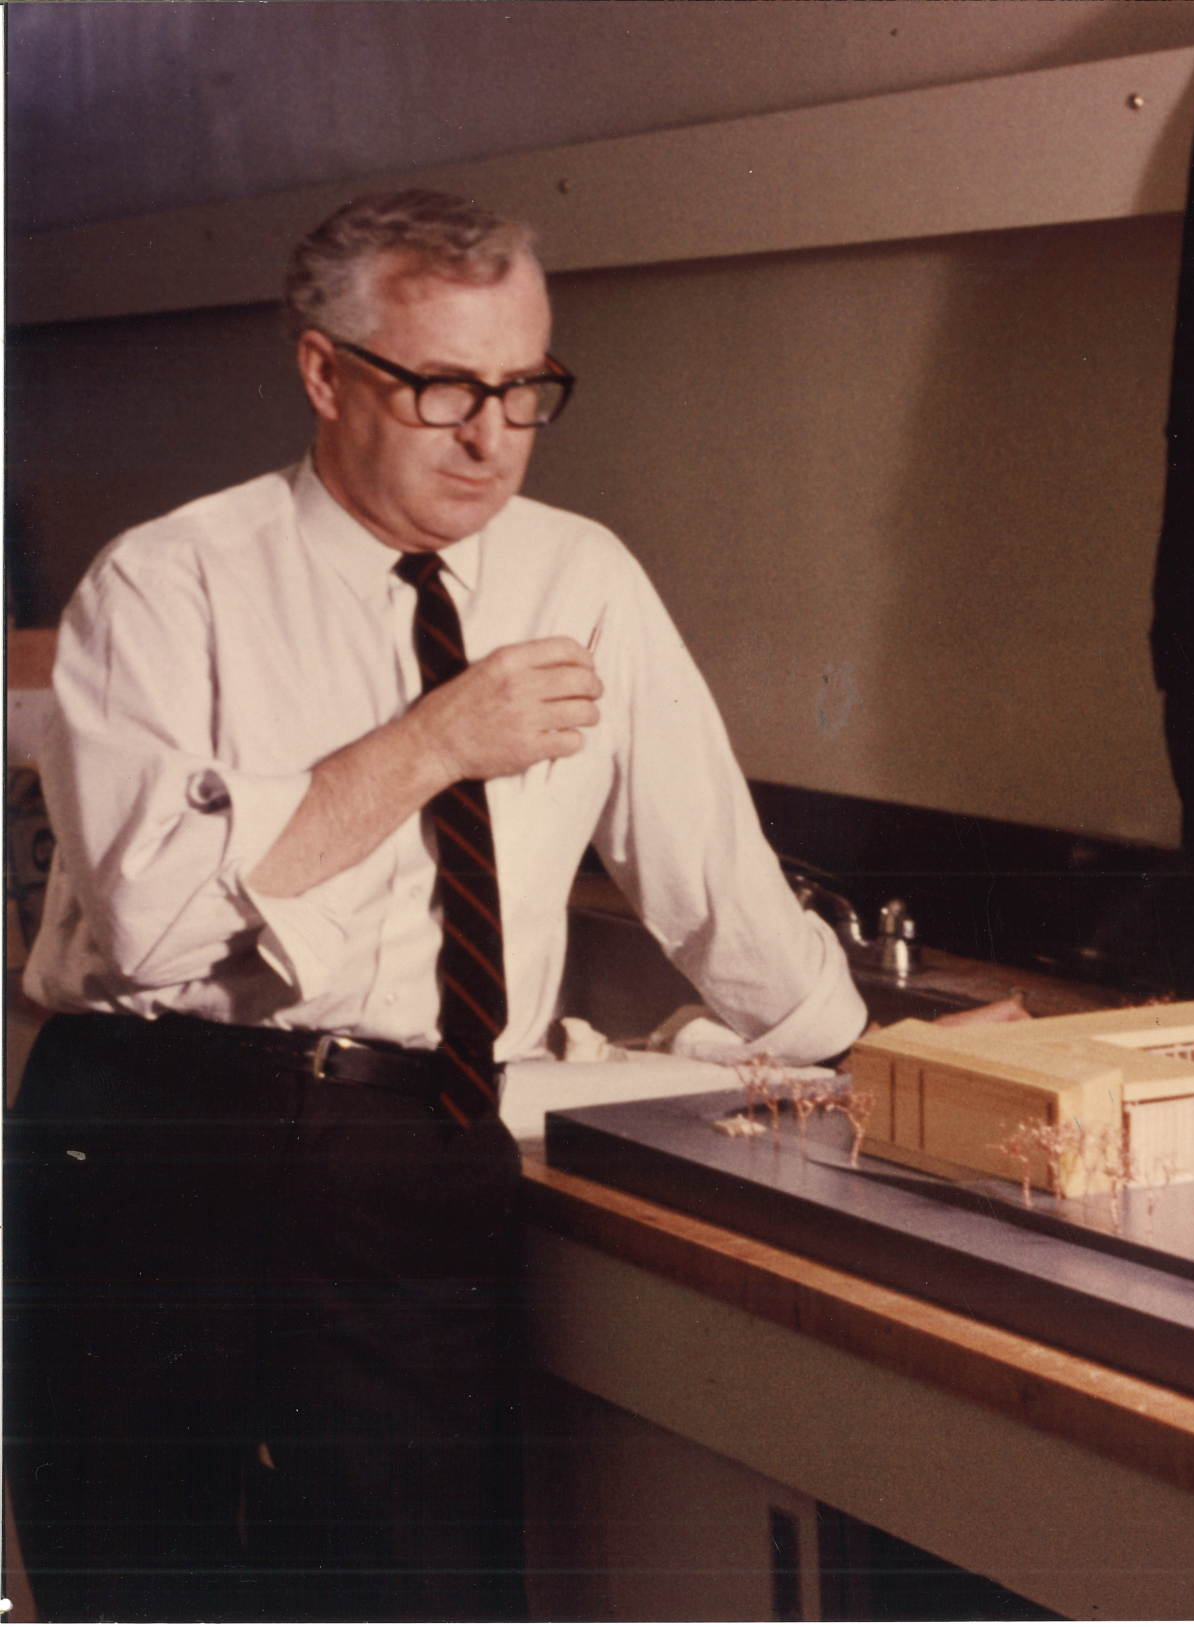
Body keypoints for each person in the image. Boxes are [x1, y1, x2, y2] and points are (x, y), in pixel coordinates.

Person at [6, 189, 867, 1621]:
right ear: (323, 371)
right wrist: (433, 742)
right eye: (446, 388)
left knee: (413, 1592)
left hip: (417, 1141)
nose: (493, 438)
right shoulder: (166, 583)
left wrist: (861, 1047)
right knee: (137, 1587)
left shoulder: (580, 575)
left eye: (525, 389)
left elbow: (714, 879)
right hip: (155, 1133)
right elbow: (153, 919)